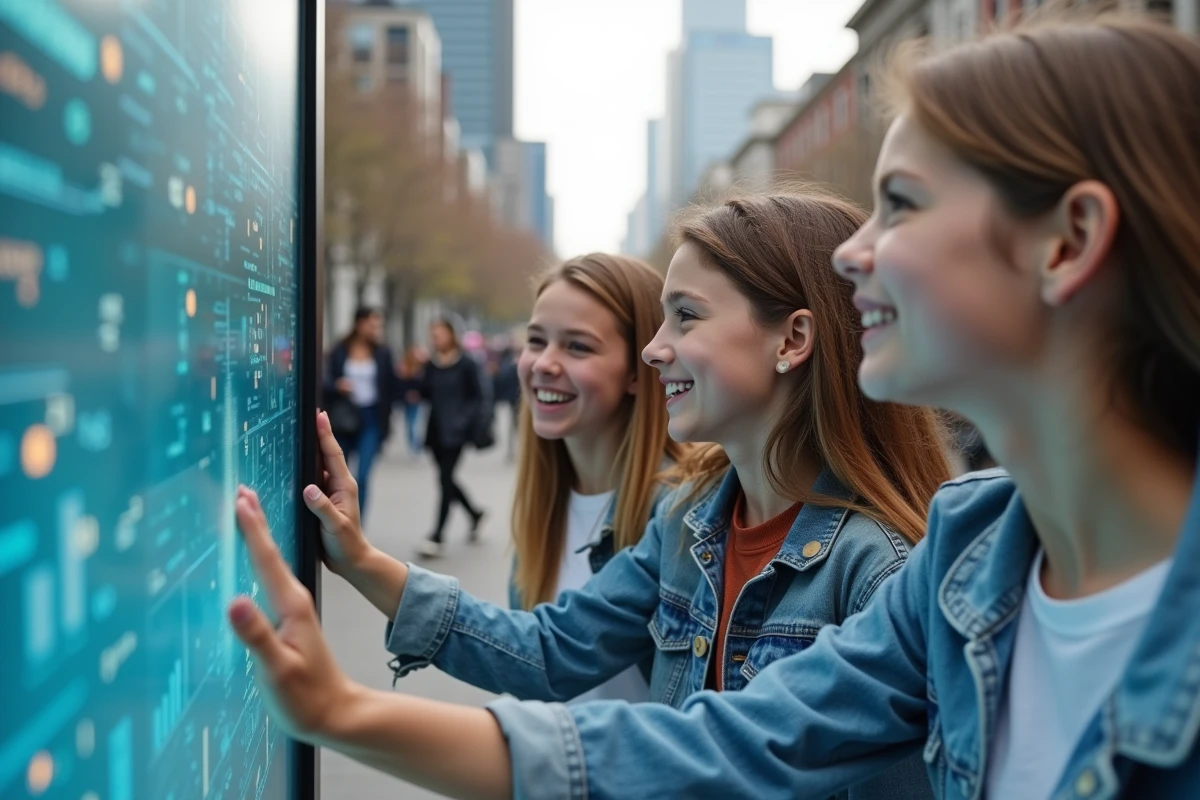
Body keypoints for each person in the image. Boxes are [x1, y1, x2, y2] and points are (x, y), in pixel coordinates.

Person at [229, 11, 1200, 798]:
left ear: (1067, 242)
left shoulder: (892, 559)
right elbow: (714, 745)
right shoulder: (962, 553)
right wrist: (343, 694)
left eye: (901, 203)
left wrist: (348, 707)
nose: (858, 250)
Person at [229, 190, 960, 797]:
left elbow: (712, 755)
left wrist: (346, 713)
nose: (654, 347)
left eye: (688, 316)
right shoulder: (690, 519)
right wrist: (359, 560)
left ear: (792, 339)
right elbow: (552, 650)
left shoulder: (884, 571)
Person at [417, 318, 487, 557]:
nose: (435, 339)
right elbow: (424, 393)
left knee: (445, 479)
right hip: (435, 431)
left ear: (451, 335)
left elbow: (478, 397)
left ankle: (437, 535)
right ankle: (475, 513)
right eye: (432, 334)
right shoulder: (431, 365)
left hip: (456, 433)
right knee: (446, 478)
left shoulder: (466, 364)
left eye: (439, 334)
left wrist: (465, 421)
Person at [323, 307, 398, 516]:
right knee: (339, 475)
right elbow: (324, 380)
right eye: (372, 324)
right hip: (344, 416)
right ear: (359, 323)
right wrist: (338, 386)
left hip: (371, 417)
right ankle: (340, 518)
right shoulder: (340, 350)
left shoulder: (383, 353)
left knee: (362, 476)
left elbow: (390, 388)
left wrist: (387, 423)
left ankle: (357, 524)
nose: (375, 329)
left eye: (377, 325)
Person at [396, 345, 426, 458]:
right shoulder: (403, 367)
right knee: (410, 423)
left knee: (414, 423)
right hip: (405, 400)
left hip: (417, 400)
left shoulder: (420, 367)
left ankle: (415, 445)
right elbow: (399, 384)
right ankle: (413, 445)